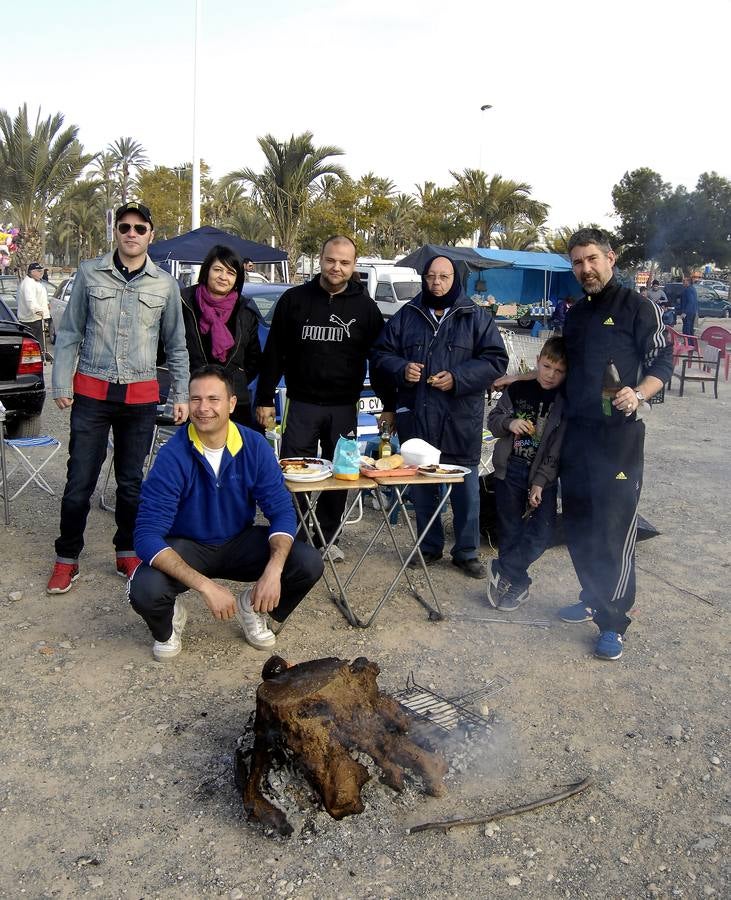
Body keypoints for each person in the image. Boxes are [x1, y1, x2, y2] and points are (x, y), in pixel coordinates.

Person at [494, 228, 672, 660]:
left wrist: (639, 393)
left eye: (592, 259)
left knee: (612, 529)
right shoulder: (575, 315)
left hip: (619, 441)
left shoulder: (638, 307)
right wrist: (520, 378)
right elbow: (561, 371)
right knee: (577, 524)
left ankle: (613, 622)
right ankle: (592, 597)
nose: (585, 269)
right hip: (576, 437)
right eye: (577, 262)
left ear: (611, 258)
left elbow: (663, 361)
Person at [128, 365, 323, 660]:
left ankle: (252, 607)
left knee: (307, 562)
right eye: (195, 399)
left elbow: (281, 510)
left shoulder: (254, 446)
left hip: (238, 541)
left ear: (232, 404)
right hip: (188, 545)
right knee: (144, 588)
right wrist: (206, 587)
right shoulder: (173, 454)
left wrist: (274, 570)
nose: (203, 408)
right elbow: (145, 535)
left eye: (213, 399)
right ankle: (169, 622)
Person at [48, 202, 190, 594]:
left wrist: (180, 393)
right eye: (124, 227)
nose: (131, 233)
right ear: (116, 231)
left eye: (139, 228)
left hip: (140, 397)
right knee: (80, 480)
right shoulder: (90, 273)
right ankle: (67, 558)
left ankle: (126, 550)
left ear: (150, 234)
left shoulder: (164, 284)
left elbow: (176, 344)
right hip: (92, 392)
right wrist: (62, 383)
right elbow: (71, 332)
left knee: (131, 483)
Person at [255, 235, 393, 559]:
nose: (337, 267)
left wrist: (388, 404)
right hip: (301, 405)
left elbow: (381, 360)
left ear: (354, 265)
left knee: (342, 473)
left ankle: (328, 538)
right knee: (293, 474)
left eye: (345, 262)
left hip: (344, 408)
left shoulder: (366, 308)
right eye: (331, 260)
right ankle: (295, 537)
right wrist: (263, 398)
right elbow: (274, 352)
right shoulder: (294, 300)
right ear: (320, 259)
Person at [371, 255, 509, 579]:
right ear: (424, 278)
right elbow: (379, 355)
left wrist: (459, 378)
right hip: (418, 416)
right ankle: (429, 546)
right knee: (422, 485)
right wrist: (402, 368)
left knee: (465, 486)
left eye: (443, 277)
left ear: (454, 279)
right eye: (431, 276)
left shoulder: (475, 316)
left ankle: (466, 552)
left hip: (460, 417)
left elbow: (495, 360)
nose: (437, 283)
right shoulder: (408, 315)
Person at [486, 337, 567, 609]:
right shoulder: (518, 389)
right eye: (546, 367)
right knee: (510, 532)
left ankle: (503, 568)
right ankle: (516, 586)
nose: (550, 375)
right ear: (538, 362)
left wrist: (541, 482)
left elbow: (558, 448)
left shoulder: (565, 400)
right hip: (509, 470)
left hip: (543, 476)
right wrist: (510, 422)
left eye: (558, 372)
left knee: (540, 535)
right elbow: (494, 421)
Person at [180, 244, 261, 429]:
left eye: (231, 273)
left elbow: (253, 358)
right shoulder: (185, 303)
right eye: (218, 270)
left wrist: (232, 380)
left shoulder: (245, 310)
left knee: (236, 455)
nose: (223, 277)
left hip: (234, 400)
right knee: (195, 453)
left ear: (237, 279)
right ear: (207, 270)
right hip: (194, 398)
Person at [16, 262, 50, 352]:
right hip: (31, 319)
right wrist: (37, 310)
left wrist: (46, 305)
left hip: (37, 318)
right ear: (32, 272)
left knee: (38, 343)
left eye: (41, 271)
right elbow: (30, 300)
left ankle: (41, 356)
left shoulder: (36, 282)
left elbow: (40, 297)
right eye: (39, 271)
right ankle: (37, 358)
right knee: (33, 344)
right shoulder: (28, 284)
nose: (41, 273)